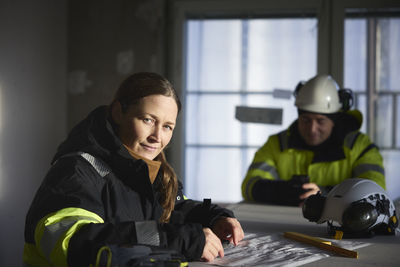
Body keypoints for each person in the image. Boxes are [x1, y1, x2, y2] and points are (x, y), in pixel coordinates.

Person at [24, 72, 244, 267]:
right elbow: (76, 243)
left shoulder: (153, 171)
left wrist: (215, 216)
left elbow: (176, 208)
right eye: (148, 120)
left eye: (167, 126)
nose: (157, 137)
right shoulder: (75, 170)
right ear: (119, 112)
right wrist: (179, 239)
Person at [241, 74, 385, 207]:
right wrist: (282, 191)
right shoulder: (277, 144)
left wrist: (325, 195)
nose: (312, 129)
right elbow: (249, 186)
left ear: (334, 120)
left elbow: (375, 194)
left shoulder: (361, 148)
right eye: (305, 120)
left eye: (320, 121)